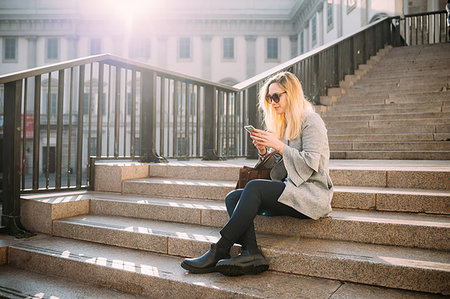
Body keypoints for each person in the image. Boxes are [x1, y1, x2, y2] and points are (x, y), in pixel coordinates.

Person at [181, 71, 333, 276]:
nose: (273, 102)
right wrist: (264, 152)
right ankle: (251, 252)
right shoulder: (286, 126)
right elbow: (279, 173)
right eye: (269, 98)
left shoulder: (311, 121)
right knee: (233, 197)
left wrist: (279, 147)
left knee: (253, 188)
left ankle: (220, 249)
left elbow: (310, 164)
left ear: (292, 94)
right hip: (292, 190)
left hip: (311, 194)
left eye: (276, 96)